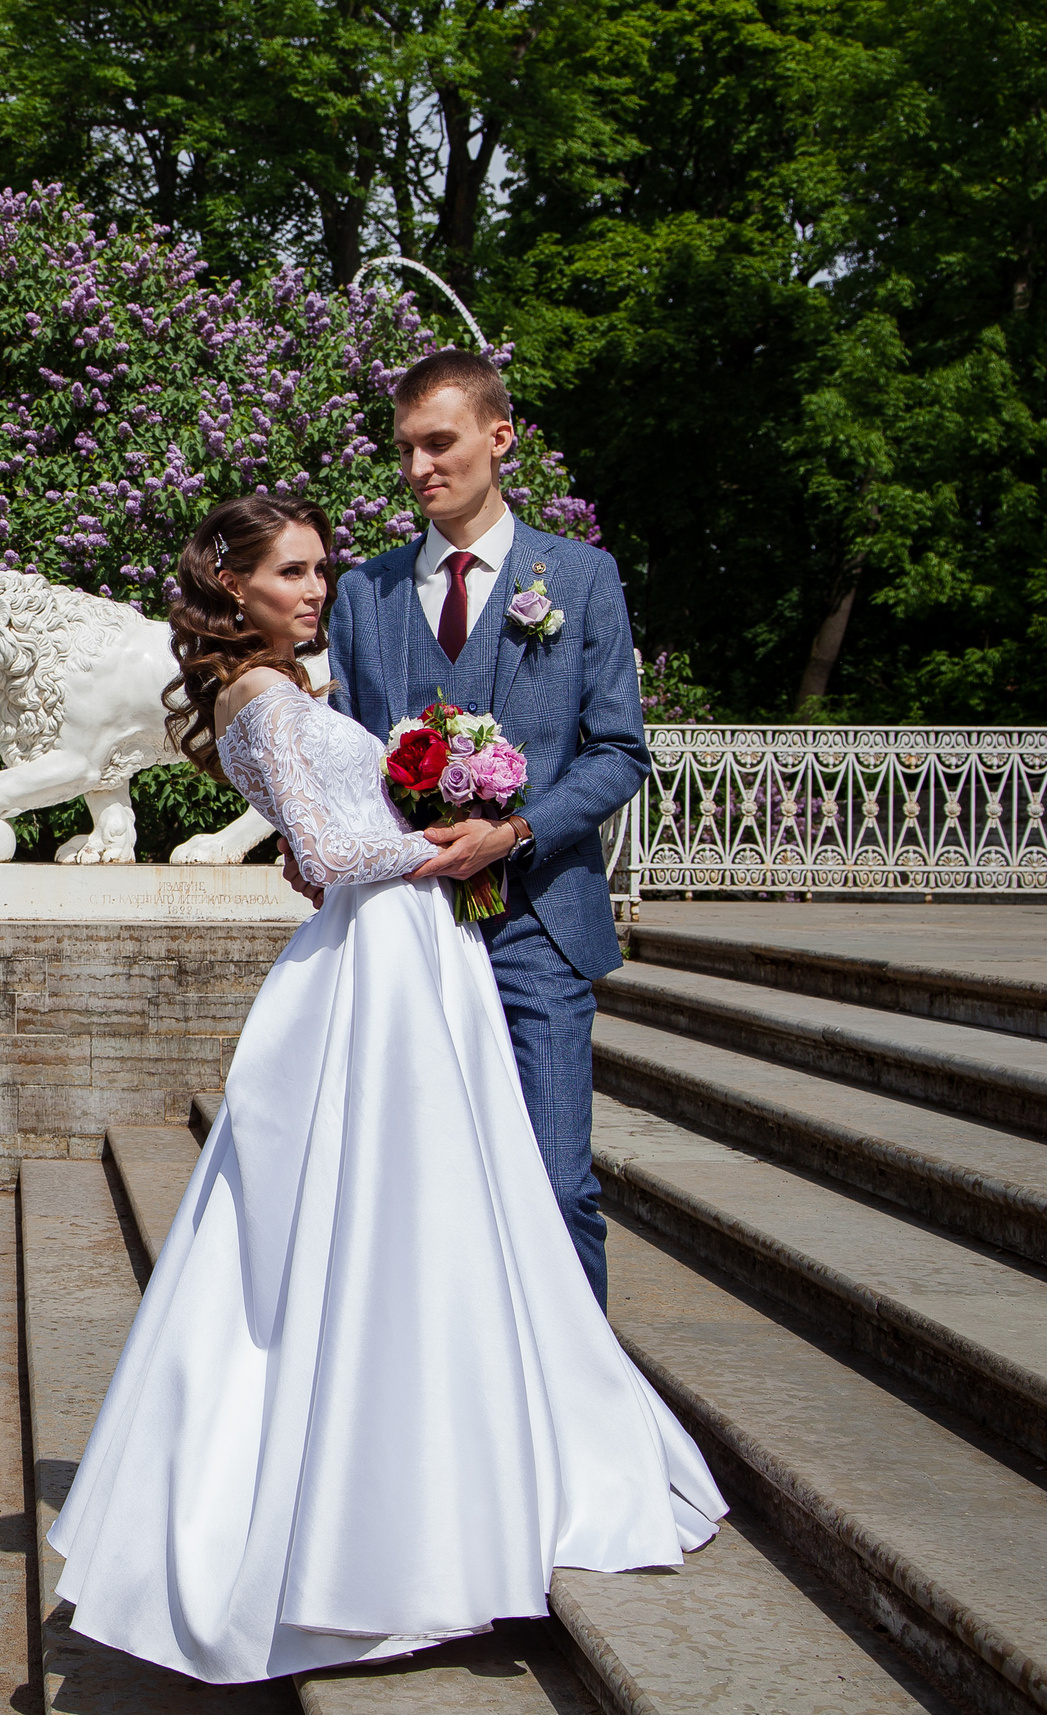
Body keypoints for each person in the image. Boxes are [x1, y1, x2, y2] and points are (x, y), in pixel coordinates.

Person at [44, 491, 722, 1686]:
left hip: (413, 953)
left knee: (453, 1215)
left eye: (317, 570)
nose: (315, 590)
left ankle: (469, 1480)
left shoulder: (286, 687)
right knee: (387, 1225)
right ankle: (380, 1528)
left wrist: (440, 812)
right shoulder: (253, 695)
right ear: (233, 588)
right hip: (380, 959)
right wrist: (455, 839)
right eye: (290, 574)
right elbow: (330, 849)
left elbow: (334, 833)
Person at [293, 347, 647, 1308]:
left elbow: (618, 750)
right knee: (414, 1193)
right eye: (405, 450)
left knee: (557, 1182)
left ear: (500, 438)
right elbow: (346, 755)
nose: (418, 469)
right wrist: (317, 840)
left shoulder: (579, 577)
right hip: (405, 931)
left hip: (541, 926)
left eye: (438, 443)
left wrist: (518, 831)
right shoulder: (363, 594)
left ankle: (580, 1426)